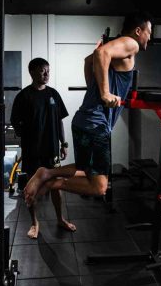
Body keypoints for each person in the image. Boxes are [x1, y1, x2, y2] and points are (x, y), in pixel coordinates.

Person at [24, 11, 152, 206]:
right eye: (148, 32)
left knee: (84, 168)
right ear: (138, 31)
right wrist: (104, 94)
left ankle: (46, 172)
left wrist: (96, 89)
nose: (149, 37)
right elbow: (101, 53)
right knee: (99, 187)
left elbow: (88, 60)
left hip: (83, 119)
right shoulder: (130, 43)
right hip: (96, 124)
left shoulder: (120, 47)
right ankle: (52, 182)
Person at [10, 57, 76, 238]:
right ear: (32, 72)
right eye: (42, 70)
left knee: (56, 186)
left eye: (48, 70)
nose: (46, 74)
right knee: (32, 187)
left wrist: (63, 144)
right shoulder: (24, 96)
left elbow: (59, 121)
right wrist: (29, 136)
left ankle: (60, 219)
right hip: (33, 151)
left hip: (52, 150)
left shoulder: (53, 94)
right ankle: (34, 223)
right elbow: (15, 122)